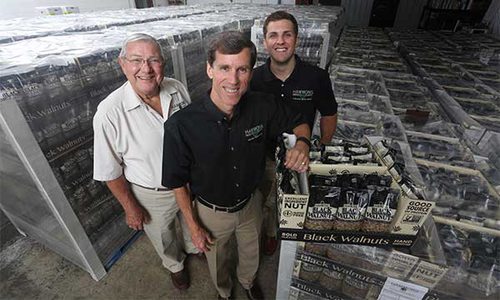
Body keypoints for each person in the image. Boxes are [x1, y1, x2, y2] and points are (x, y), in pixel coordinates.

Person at [161, 31, 310, 300]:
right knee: (218, 261)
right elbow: (175, 180)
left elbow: (298, 121)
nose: (233, 79)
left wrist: (302, 144)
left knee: (251, 252)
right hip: (211, 211)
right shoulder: (181, 125)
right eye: (225, 68)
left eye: (242, 69)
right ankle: (224, 292)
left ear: (251, 73)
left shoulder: (262, 105)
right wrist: (193, 225)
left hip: (251, 204)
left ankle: (248, 282)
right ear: (209, 69)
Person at [93, 33, 199, 290]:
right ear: (123, 64)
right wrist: (130, 207)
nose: (146, 69)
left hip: (190, 183)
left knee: (191, 221)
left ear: (163, 63)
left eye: (153, 60)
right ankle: (175, 266)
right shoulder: (109, 112)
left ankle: (193, 248)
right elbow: (110, 170)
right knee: (163, 236)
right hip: (153, 193)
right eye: (137, 60)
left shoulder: (176, 88)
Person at [250, 10, 338, 255]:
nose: (280, 41)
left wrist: (321, 146)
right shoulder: (253, 79)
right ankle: (267, 232)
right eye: (273, 35)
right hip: (264, 157)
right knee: (263, 201)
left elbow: (329, 113)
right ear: (265, 41)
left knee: (291, 202)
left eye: (287, 35)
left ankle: (277, 233)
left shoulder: (316, 77)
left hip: (301, 155)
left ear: (297, 39)